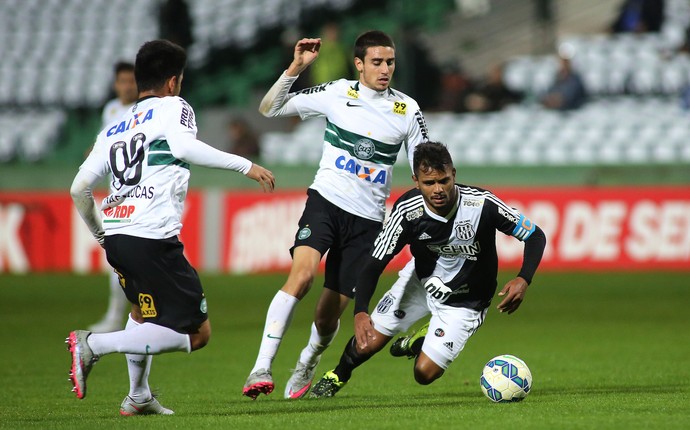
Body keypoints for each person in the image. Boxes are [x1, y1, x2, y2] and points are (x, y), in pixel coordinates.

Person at [67, 39, 275, 415]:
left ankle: (138, 396)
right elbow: (184, 147)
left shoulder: (114, 126)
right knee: (198, 333)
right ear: (173, 82)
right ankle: (92, 345)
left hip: (119, 235)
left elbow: (79, 188)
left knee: (141, 313)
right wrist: (244, 165)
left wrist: (101, 235)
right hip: (152, 237)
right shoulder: (174, 107)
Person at [243, 30, 430, 400]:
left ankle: (308, 360)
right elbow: (271, 108)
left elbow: (424, 162)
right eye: (376, 62)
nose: (385, 69)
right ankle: (261, 367)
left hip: (368, 223)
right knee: (302, 276)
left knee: (327, 318)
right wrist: (295, 68)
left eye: (390, 62)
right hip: (326, 202)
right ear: (359, 63)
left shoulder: (406, 109)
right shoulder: (336, 92)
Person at [309, 141, 547, 398]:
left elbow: (535, 236)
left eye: (444, 180)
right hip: (421, 283)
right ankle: (338, 375)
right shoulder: (407, 211)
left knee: (424, 374)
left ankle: (419, 341)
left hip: (467, 302)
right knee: (368, 342)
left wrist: (524, 279)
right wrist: (360, 311)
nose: (438, 189)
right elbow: (375, 263)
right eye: (429, 183)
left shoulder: (482, 204)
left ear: (453, 174)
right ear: (416, 181)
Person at [89, 61, 138, 333]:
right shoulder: (110, 109)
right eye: (123, 81)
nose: (128, 86)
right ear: (115, 83)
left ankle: (148, 313)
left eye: (132, 81)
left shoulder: (143, 109)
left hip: (139, 195)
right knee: (116, 259)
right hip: (115, 197)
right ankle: (114, 316)